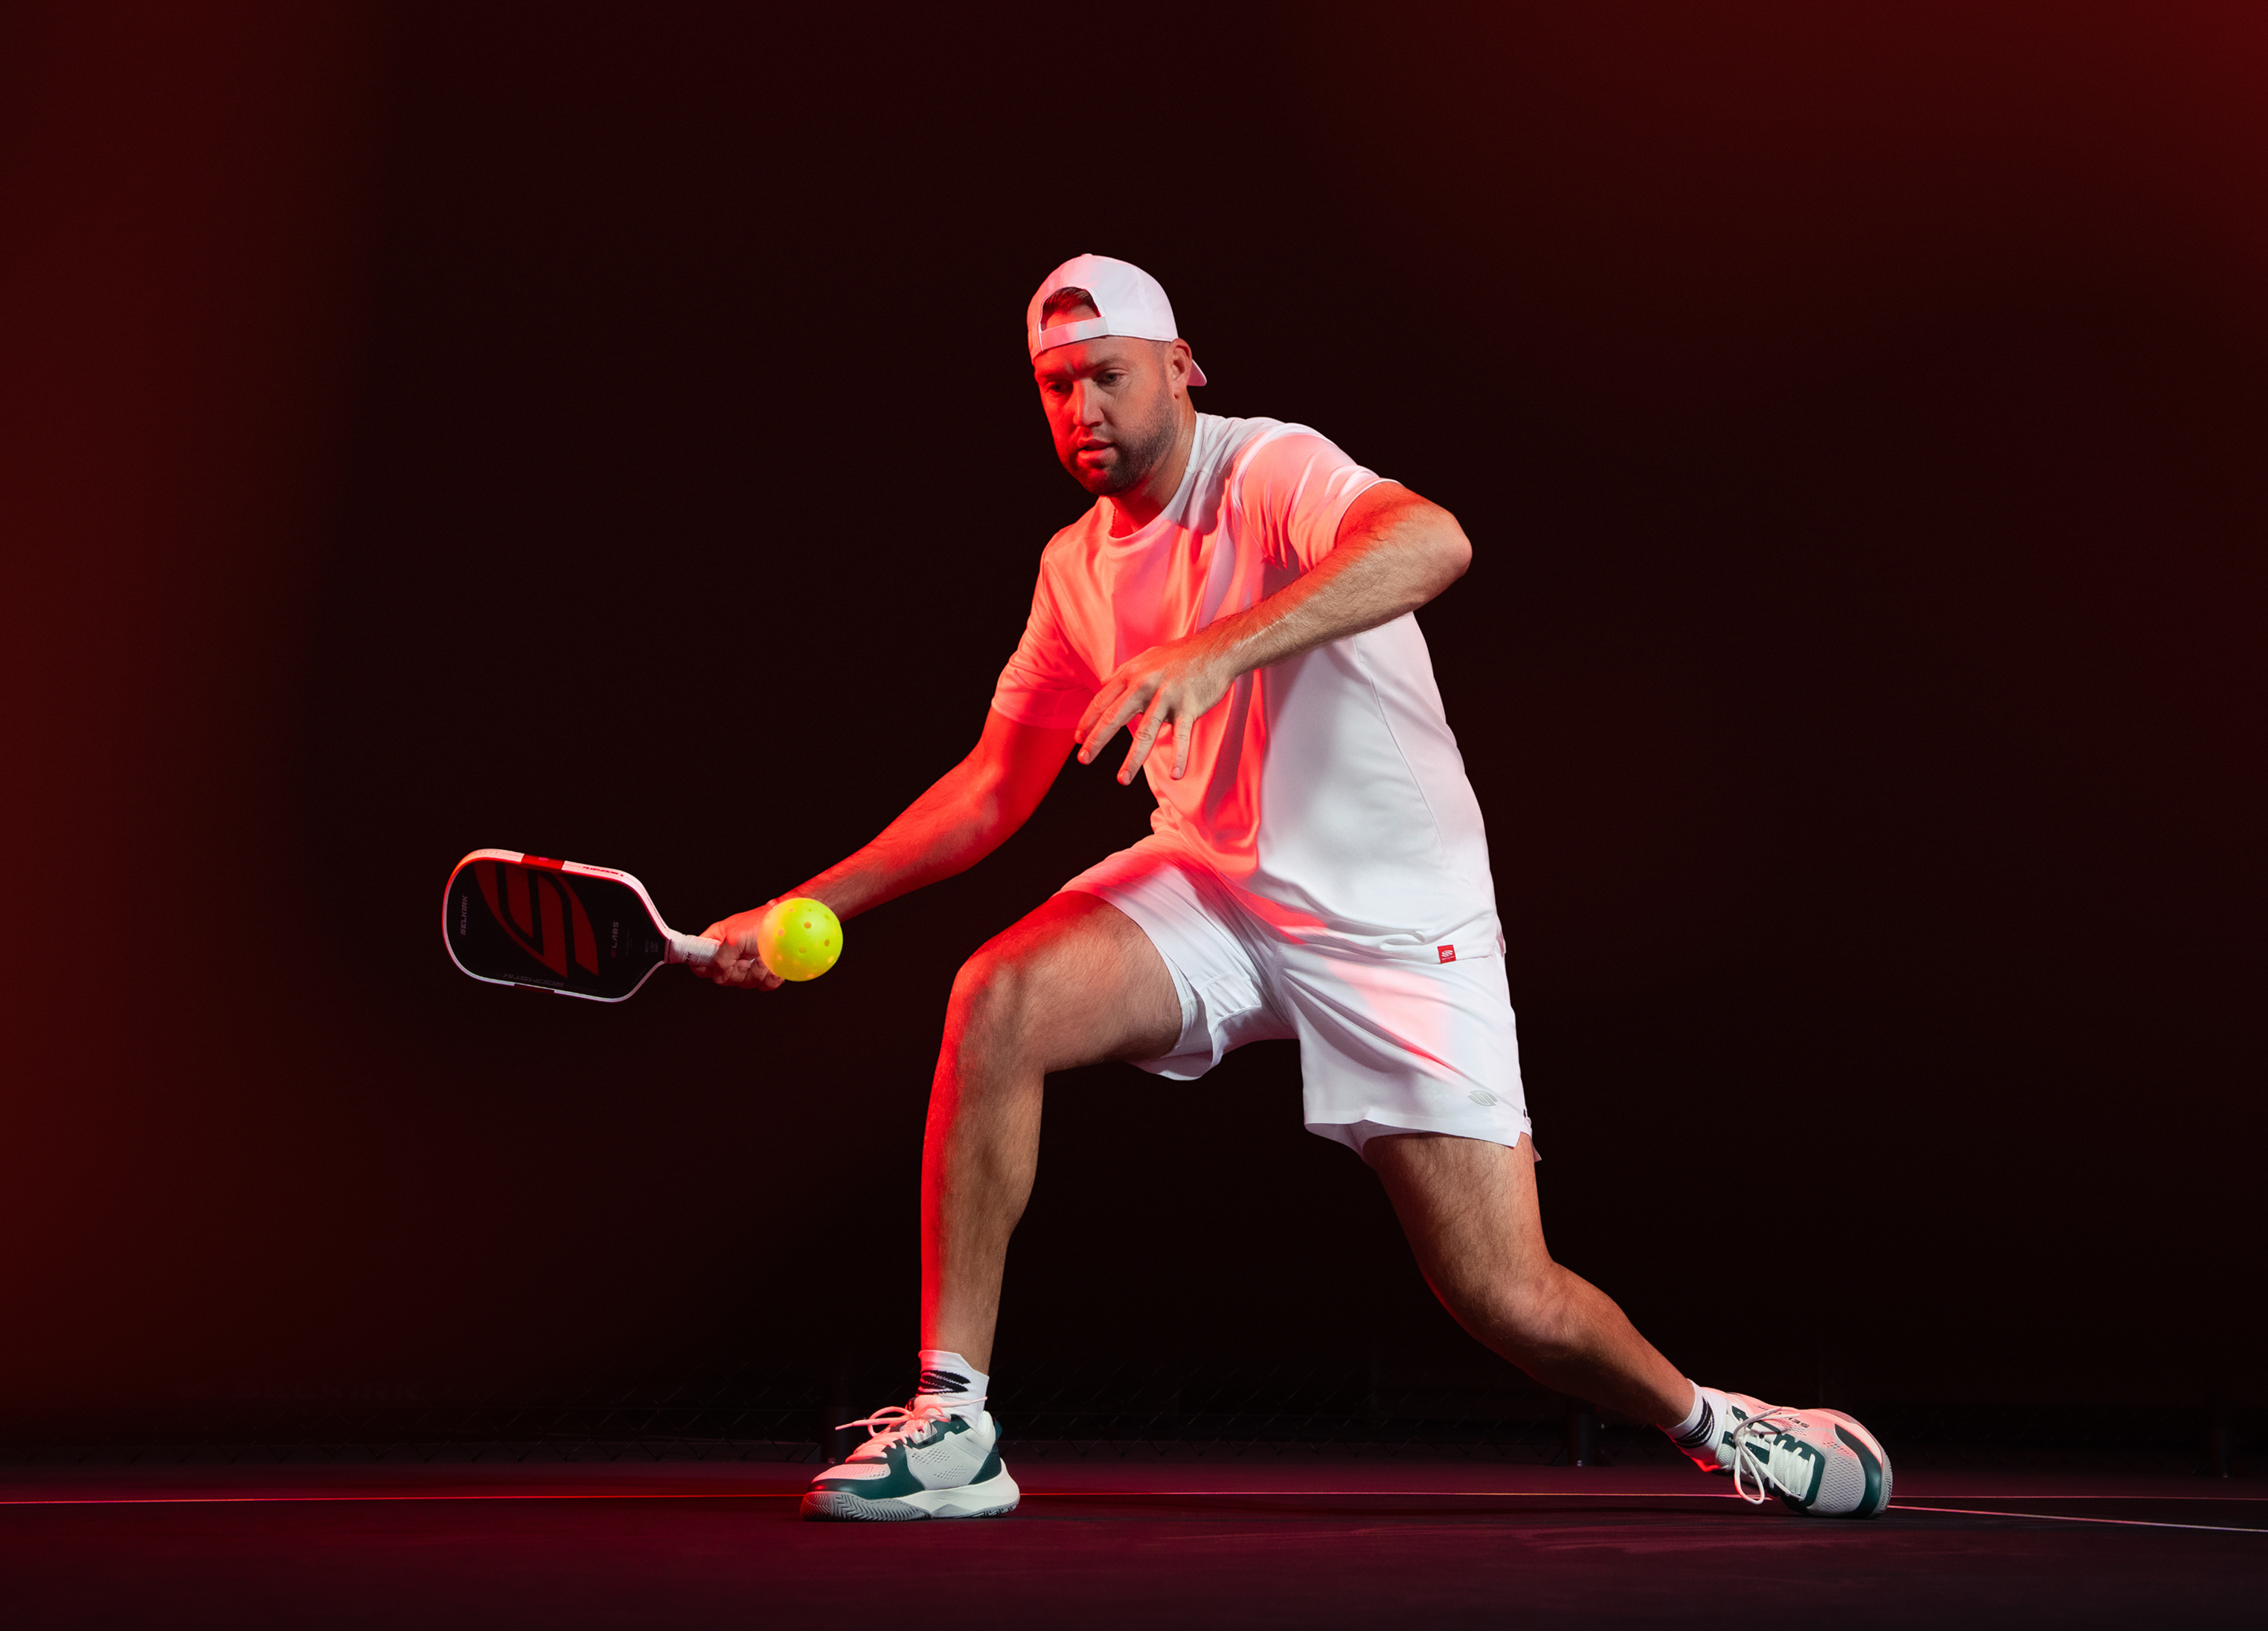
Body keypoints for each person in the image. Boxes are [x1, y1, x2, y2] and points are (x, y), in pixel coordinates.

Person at [694, 254, 1892, 1521]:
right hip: (1214, 886)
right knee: (997, 996)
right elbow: (993, 791)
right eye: (1054, 388)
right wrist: (791, 908)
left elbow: (1435, 538)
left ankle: (1718, 1424)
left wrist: (1217, 651)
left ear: (1182, 369)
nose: (1081, 410)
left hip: (1397, 924)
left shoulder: (1268, 469)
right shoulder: (1075, 569)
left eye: (1106, 377)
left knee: (1503, 1293)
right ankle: (954, 1422)